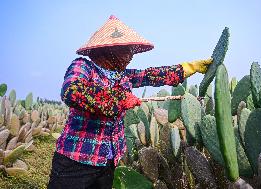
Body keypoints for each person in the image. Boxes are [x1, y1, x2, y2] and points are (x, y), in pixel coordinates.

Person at [47, 15, 212, 189]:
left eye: (130, 49)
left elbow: (150, 75)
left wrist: (189, 68)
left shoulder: (122, 75)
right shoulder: (83, 67)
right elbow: (72, 91)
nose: (130, 54)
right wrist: (119, 99)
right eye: (125, 49)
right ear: (109, 49)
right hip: (76, 160)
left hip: (108, 160)